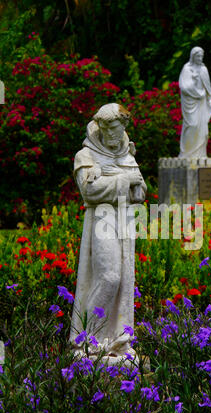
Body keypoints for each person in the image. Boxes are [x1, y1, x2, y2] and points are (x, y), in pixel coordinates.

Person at [69, 103, 147, 362]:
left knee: (124, 281)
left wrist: (133, 185)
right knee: (110, 276)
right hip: (101, 218)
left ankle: (114, 340)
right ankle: (87, 340)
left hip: (123, 221)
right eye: (106, 130)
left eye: (115, 129)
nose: (111, 136)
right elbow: (89, 191)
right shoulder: (86, 155)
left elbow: (141, 192)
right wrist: (125, 181)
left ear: (123, 127)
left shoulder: (127, 155)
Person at [178, 46, 211, 159]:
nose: (200, 58)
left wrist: (210, 98)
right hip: (190, 102)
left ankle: (200, 155)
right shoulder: (187, 69)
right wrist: (194, 82)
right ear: (193, 56)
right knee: (191, 125)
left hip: (201, 102)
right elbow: (184, 86)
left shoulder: (203, 69)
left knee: (202, 130)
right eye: (198, 56)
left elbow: (208, 86)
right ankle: (186, 153)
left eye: (201, 56)